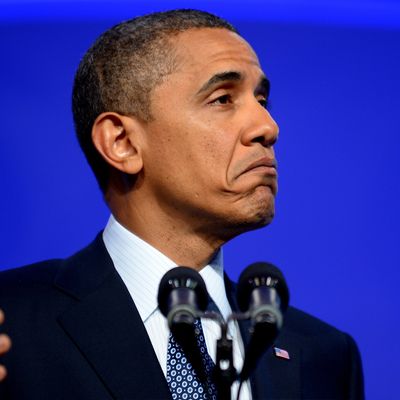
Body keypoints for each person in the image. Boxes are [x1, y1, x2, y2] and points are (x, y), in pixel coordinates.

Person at [0, 9, 364, 399]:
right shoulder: (13, 324)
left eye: (262, 100)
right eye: (223, 98)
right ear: (121, 143)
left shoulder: (324, 355)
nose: (268, 127)